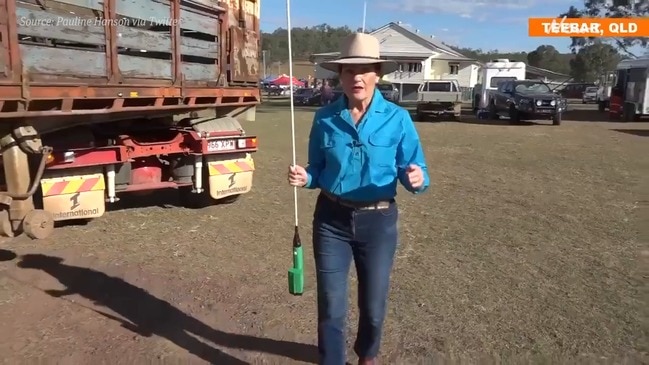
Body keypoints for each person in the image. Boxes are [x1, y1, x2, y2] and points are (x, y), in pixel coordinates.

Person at [287, 32, 430, 365]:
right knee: (331, 303)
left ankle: (367, 355)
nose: (357, 78)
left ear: (377, 74)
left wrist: (418, 179)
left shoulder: (398, 119)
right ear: (340, 75)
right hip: (331, 221)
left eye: (365, 70)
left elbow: (417, 169)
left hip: (378, 224)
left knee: (374, 306)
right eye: (349, 71)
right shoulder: (324, 119)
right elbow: (317, 170)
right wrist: (305, 177)